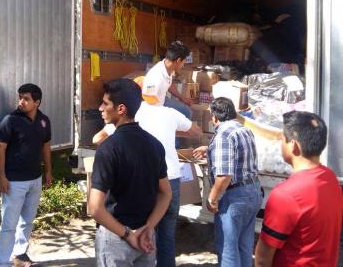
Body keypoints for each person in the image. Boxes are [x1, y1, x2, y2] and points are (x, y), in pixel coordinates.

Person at [88, 78, 172, 267]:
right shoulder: (154, 144)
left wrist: (128, 235)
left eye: (105, 103)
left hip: (116, 237)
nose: (100, 108)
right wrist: (149, 227)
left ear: (121, 109)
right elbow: (166, 193)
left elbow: (94, 208)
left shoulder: (108, 148)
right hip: (145, 237)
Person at [254, 111, 342, 267]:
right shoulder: (331, 179)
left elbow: (262, 258)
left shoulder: (286, 195)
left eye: (282, 139)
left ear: (293, 145)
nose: (280, 143)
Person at [193, 97, 261, 267]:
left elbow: (224, 176)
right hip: (252, 191)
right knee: (244, 246)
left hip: (235, 197)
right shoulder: (243, 129)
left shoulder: (223, 134)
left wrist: (212, 198)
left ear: (215, 117)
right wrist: (209, 149)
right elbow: (236, 153)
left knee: (228, 250)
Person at [135, 101, 201, 267]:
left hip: (146, 179)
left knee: (144, 231)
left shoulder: (135, 111)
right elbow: (196, 132)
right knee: (167, 235)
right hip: (171, 178)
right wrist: (172, 131)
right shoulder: (171, 112)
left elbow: (99, 137)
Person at [0, 83, 52, 267]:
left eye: (26, 98)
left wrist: (48, 171)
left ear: (37, 102)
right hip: (14, 181)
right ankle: (3, 262)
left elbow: (46, 146)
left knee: (27, 221)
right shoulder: (10, 120)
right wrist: (2, 177)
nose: (21, 101)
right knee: (9, 224)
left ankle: (20, 255)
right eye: (20, 97)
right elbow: (0, 149)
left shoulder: (44, 121)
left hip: (35, 179)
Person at [142, 40, 193, 119]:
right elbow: (149, 101)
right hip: (154, 107)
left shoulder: (169, 68)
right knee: (184, 115)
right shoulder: (156, 76)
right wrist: (166, 115)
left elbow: (169, 84)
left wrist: (182, 98)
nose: (183, 65)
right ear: (178, 60)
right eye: (183, 62)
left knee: (187, 112)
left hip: (162, 99)